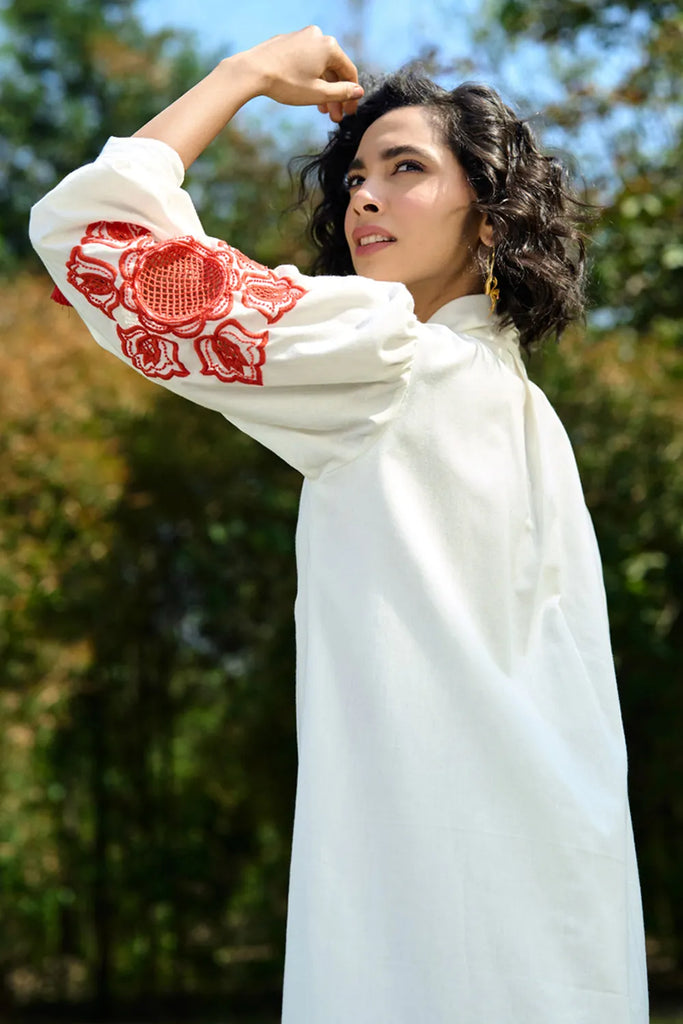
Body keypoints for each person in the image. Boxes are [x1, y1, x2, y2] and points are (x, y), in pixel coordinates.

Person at [29, 26, 648, 1024]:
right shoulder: (520, 405)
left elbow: (92, 241)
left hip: (433, 910)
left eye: (405, 169)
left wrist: (240, 74)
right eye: (355, 175)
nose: (362, 196)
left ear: (490, 220)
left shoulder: (389, 358)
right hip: (552, 891)